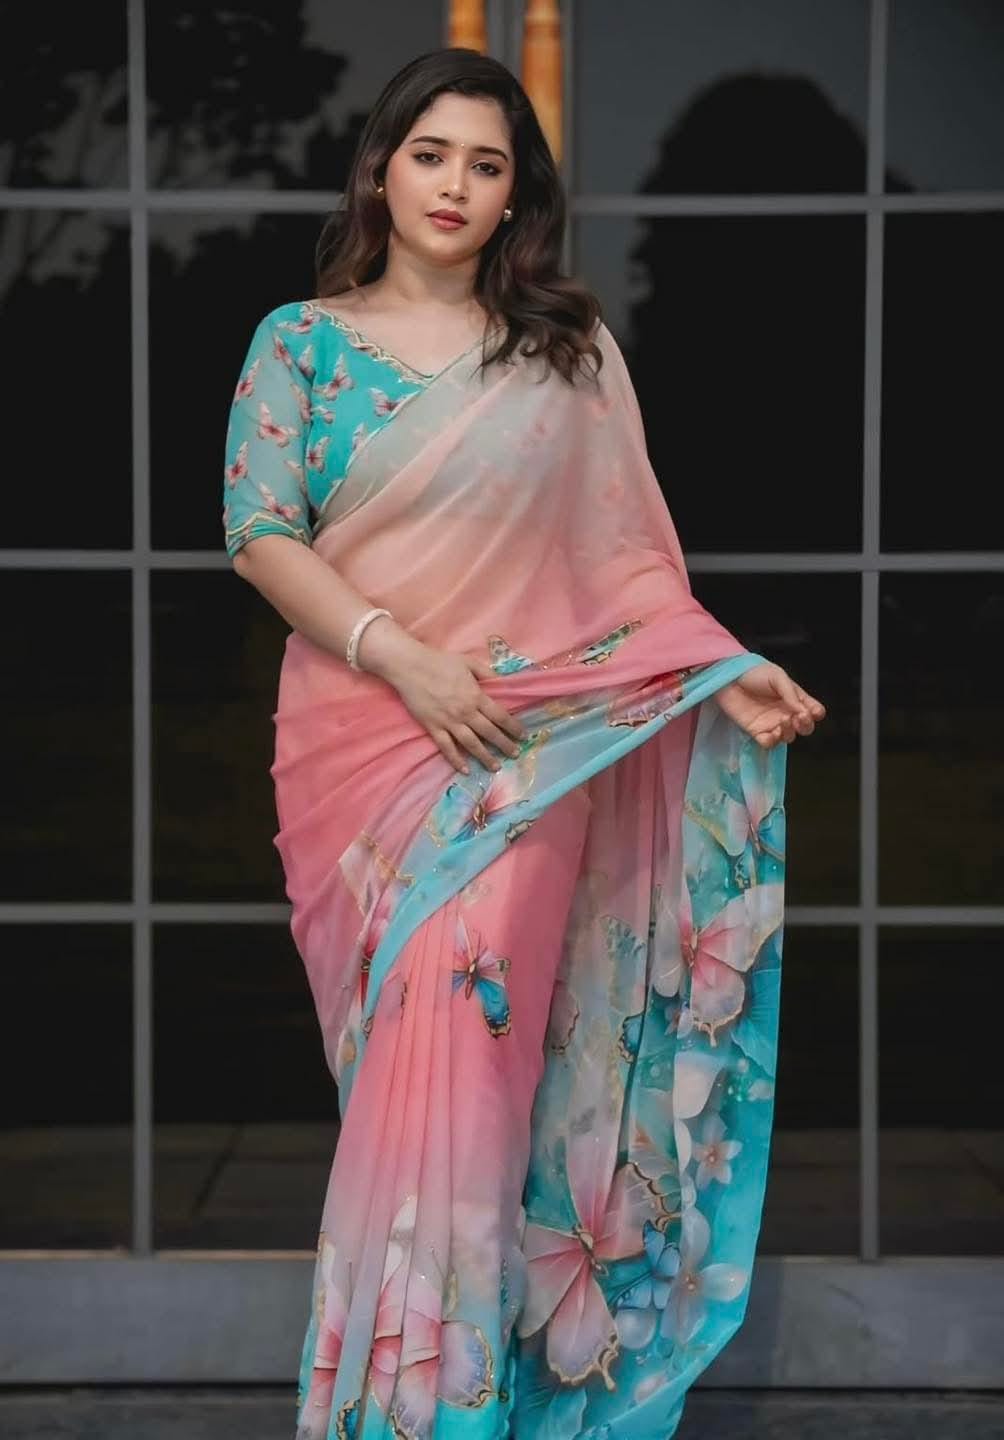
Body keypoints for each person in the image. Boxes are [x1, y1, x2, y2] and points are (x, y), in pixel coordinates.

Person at [222, 46, 825, 1440]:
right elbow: (258, 531)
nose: (454, 185)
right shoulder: (297, 343)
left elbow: (628, 566)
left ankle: (445, 1414)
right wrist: (405, 660)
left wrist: (723, 672)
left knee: (480, 1076)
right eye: (431, 154)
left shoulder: (564, 354)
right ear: (382, 169)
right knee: (400, 1084)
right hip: (362, 753)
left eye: (486, 165)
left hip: (522, 757)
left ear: (516, 198)